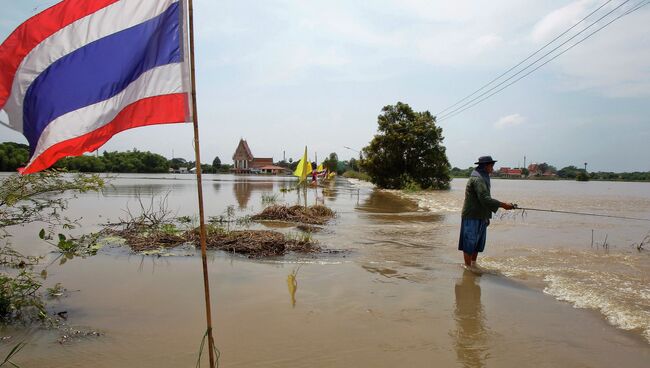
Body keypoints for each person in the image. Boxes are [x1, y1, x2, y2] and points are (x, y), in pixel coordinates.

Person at [459, 156, 515, 269]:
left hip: (481, 215)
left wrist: (486, 216)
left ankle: (473, 265)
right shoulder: (477, 179)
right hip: (472, 216)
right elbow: (484, 198)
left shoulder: (483, 176)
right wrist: (503, 205)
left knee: (478, 244)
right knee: (469, 244)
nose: (493, 169)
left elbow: (484, 200)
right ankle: (468, 269)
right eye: (491, 166)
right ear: (485, 166)